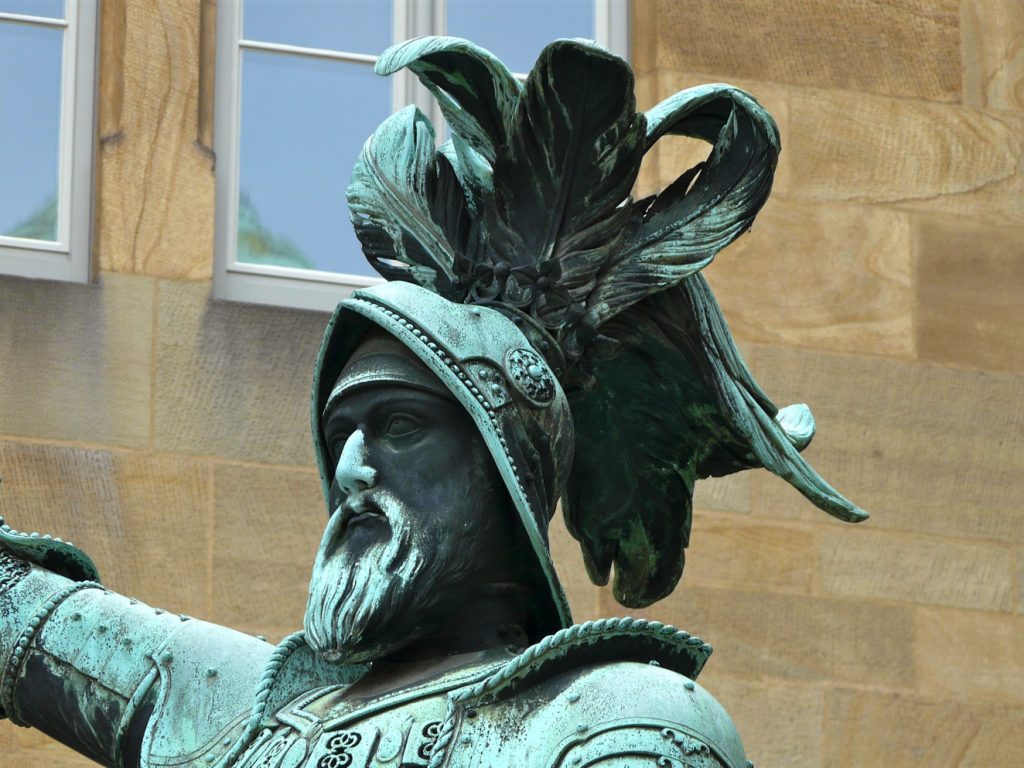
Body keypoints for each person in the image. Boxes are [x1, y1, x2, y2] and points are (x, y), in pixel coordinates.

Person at [0, 37, 867, 768]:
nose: (350, 466)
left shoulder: (618, 720)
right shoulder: (234, 706)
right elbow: (25, 615)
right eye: (341, 431)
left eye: (400, 426)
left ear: (503, 468)